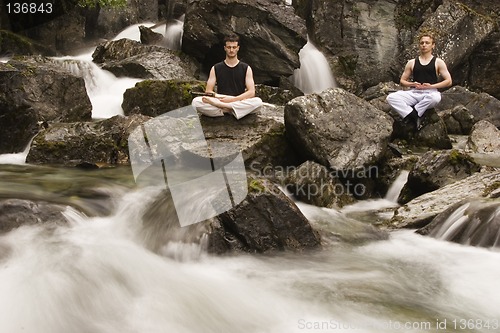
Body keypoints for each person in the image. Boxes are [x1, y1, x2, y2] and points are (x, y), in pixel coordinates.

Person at [386, 32, 452, 129]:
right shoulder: (411, 62)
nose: (424, 45)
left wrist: (431, 86)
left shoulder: (438, 62)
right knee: (391, 98)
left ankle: (414, 113)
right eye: (422, 43)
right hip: (414, 92)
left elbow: (449, 81)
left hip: (430, 93)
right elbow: (402, 81)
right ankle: (414, 115)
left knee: (436, 98)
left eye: (427, 43)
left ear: (433, 45)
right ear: (419, 45)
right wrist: (412, 84)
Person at [192, 34, 263, 120]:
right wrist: (219, 97)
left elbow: (251, 92)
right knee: (195, 102)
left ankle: (225, 107)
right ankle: (231, 109)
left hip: (237, 100)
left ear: (238, 48)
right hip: (222, 100)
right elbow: (208, 91)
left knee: (258, 102)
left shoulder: (246, 68)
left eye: (234, 47)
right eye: (229, 47)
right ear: (225, 48)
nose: (231, 50)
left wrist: (233, 100)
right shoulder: (216, 68)